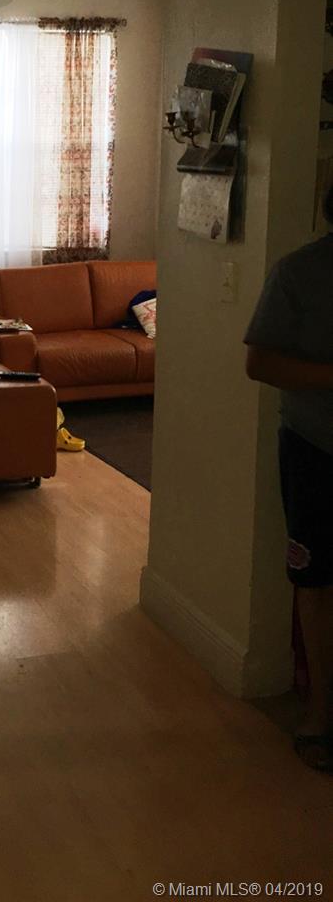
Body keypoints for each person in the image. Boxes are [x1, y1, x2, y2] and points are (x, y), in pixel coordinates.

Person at [244, 184, 333, 774]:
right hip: (314, 449)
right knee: (317, 580)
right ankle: (321, 713)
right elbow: (259, 361)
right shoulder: (298, 273)